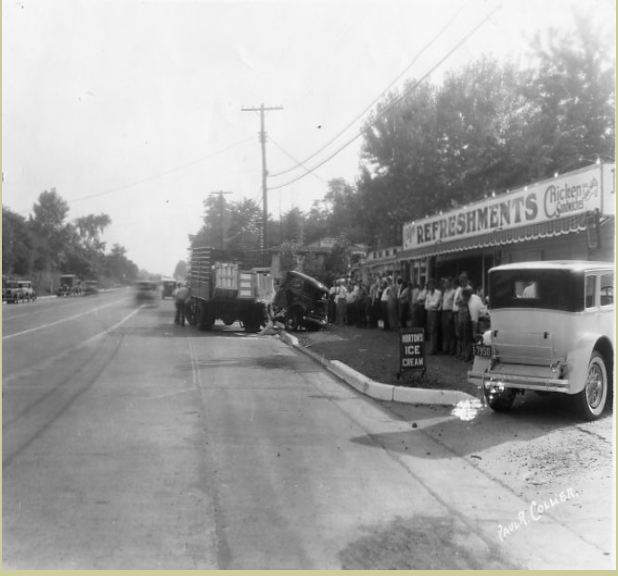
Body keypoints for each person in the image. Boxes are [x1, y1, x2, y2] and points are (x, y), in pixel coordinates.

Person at [424, 279, 442, 354]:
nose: (430, 286)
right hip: (429, 312)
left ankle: (433, 349)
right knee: (429, 330)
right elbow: (425, 306)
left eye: (431, 285)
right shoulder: (428, 293)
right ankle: (432, 347)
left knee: (433, 330)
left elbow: (436, 304)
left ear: (434, 285)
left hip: (435, 313)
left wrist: (430, 304)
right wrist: (431, 305)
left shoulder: (438, 293)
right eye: (429, 285)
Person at [441, 277, 456, 355]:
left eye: (446, 282)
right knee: (445, 331)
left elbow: (454, 303)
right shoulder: (445, 292)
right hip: (444, 312)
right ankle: (445, 349)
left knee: (451, 331)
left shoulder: (453, 292)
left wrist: (451, 313)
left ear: (450, 283)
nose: (445, 284)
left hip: (450, 312)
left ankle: (452, 350)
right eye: (444, 283)